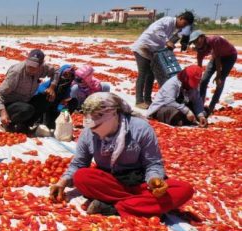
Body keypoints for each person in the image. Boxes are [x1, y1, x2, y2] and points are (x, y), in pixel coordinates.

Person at [49, 93, 193, 217]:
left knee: (184, 190)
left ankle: (113, 208)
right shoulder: (88, 133)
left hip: (139, 181)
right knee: (82, 177)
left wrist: (154, 180)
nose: (93, 126)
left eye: (98, 120)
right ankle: (143, 205)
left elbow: (153, 163)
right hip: (110, 182)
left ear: (114, 114)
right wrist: (62, 182)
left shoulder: (140, 128)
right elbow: (79, 163)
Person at [130, 10, 195, 109]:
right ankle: (139, 101)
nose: (183, 26)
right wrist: (167, 41)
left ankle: (147, 100)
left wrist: (179, 41)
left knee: (151, 75)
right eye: (184, 23)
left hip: (153, 51)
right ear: (181, 18)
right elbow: (156, 29)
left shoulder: (175, 28)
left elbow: (176, 37)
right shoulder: (168, 20)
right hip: (143, 47)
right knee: (143, 74)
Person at [0, 49, 58, 133]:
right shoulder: (16, 72)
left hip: (26, 100)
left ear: (41, 65)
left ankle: (24, 125)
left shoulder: (43, 69)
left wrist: (52, 87)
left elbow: (56, 72)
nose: (31, 68)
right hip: (10, 105)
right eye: (29, 65)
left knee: (47, 97)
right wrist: (3, 113)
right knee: (27, 109)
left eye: (34, 66)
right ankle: (8, 124)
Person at [190, 30, 239, 115]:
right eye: (193, 42)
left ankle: (211, 106)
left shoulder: (214, 40)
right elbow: (199, 65)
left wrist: (218, 76)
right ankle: (200, 106)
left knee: (220, 81)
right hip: (216, 57)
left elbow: (218, 59)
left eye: (196, 40)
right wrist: (198, 77)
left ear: (202, 37)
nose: (195, 43)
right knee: (204, 80)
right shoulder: (200, 49)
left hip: (230, 56)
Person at [35, 64, 79, 130]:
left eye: (70, 75)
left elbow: (63, 101)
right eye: (65, 74)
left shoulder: (67, 87)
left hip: (55, 108)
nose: (67, 77)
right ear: (60, 73)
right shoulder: (52, 82)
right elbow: (39, 88)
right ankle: (42, 121)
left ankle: (58, 120)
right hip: (43, 107)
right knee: (48, 96)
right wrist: (46, 91)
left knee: (74, 101)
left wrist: (63, 109)